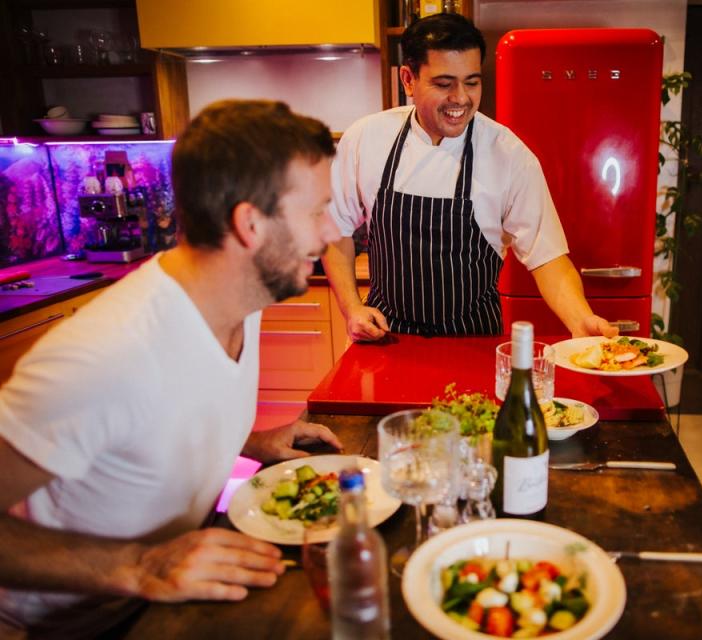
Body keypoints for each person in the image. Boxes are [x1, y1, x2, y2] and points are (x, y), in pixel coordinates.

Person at [0, 100, 345, 638]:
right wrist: (139, 565)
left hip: (167, 599)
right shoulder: (108, 352)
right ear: (250, 224)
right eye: (317, 211)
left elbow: (160, 416)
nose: (329, 233)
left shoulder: (245, 297)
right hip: (68, 625)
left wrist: (250, 440)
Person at [322, 13, 617, 339]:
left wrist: (580, 320)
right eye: (444, 84)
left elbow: (547, 257)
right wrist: (352, 308)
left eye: (472, 82)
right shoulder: (366, 138)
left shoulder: (509, 156)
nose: (461, 99)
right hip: (387, 336)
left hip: (473, 340)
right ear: (408, 79)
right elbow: (335, 230)